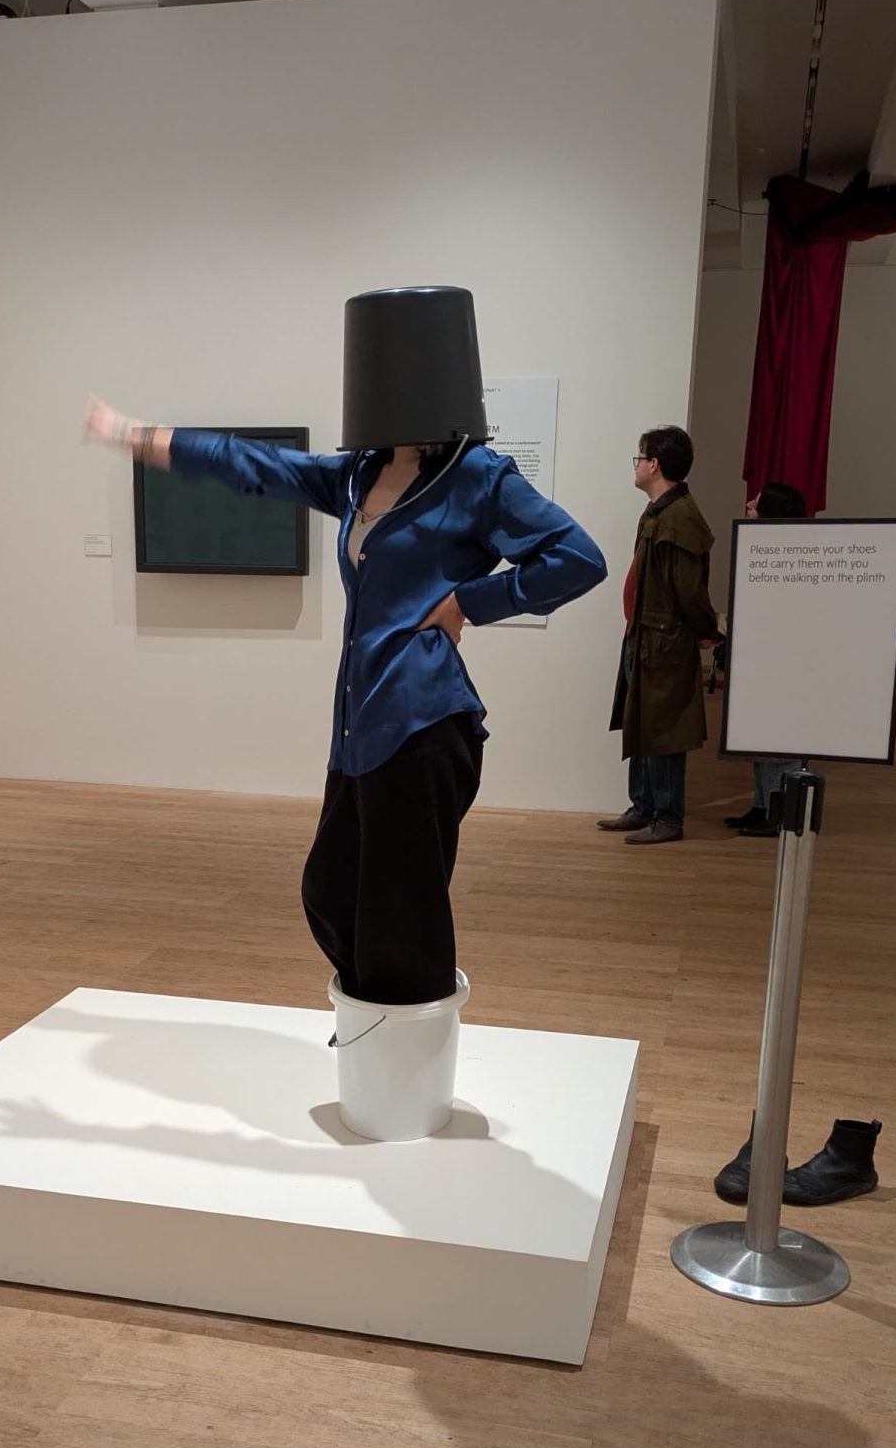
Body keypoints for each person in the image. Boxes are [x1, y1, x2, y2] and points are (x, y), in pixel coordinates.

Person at [83, 288, 608, 1007]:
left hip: (424, 727)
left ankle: (400, 1068)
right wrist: (140, 436)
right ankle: (379, 1035)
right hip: (363, 725)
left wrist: (469, 603)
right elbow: (256, 467)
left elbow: (578, 558)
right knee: (331, 892)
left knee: (403, 922)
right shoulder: (358, 474)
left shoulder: (479, 480)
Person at [598, 425, 717, 845]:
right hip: (646, 637)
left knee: (664, 729)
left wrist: (707, 631)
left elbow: (688, 589)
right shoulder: (662, 512)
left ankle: (667, 816)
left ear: (655, 464)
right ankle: (644, 806)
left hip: (663, 641)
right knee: (644, 721)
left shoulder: (679, 519)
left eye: (639, 457)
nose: (636, 465)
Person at [724, 480, 808, 838]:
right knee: (759, 739)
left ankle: (778, 812)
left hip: (783, 662)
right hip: (761, 657)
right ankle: (761, 805)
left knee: (780, 742)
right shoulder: (762, 551)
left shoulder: (793, 558)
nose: (748, 506)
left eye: (756, 505)